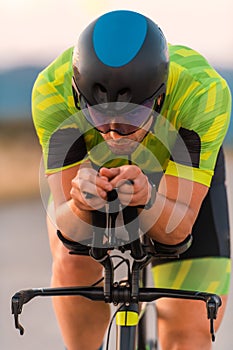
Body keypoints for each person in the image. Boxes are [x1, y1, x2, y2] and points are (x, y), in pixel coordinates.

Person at [32, 9, 231, 350]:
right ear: (79, 97)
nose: (112, 133)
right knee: (71, 260)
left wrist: (149, 201)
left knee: (187, 335)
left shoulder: (203, 94)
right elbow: (68, 228)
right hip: (90, 170)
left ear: (160, 97)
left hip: (174, 175)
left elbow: (178, 230)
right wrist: (80, 204)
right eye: (97, 116)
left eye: (132, 118)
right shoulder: (52, 91)